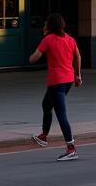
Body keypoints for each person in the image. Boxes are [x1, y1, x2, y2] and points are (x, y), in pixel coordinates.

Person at [29, 12, 82, 161]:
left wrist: (30, 57)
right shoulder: (70, 39)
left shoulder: (48, 39)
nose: (44, 25)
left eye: (46, 23)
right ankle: (44, 136)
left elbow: (34, 57)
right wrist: (78, 75)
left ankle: (71, 148)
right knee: (46, 104)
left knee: (61, 114)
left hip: (56, 82)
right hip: (68, 80)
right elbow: (78, 56)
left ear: (50, 25)